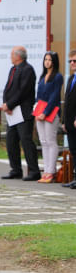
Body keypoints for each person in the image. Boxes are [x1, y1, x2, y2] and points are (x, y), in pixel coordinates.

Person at [1, 46, 40, 181]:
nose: (10, 56)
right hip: (12, 113)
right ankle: (15, 169)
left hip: (23, 111)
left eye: (12, 54)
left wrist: (10, 104)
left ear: (19, 56)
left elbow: (23, 91)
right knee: (11, 140)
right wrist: (5, 103)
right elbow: (8, 88)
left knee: (26, 140)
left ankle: (34, 170)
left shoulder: (27, 70)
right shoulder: (13, 69)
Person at [33, 52, 63, 183]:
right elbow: (38, 96)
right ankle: (45, 170)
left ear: (54, 62)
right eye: (45, 59)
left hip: (51, 112)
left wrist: (45, 112)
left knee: (51, 141)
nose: (47, 62)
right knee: (43, 141)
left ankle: (51, 171)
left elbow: (55, 96)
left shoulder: (57, 77)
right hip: (39, 111)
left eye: (50, 60)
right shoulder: (42, 76)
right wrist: (36, 110)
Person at [61, 50, 76, 188]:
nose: (72, 63)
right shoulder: (71, 78)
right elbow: (67, 100)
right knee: (73, 149)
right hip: (70, 122)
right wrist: (64, 121)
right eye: (70, 61)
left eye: (75, 61)